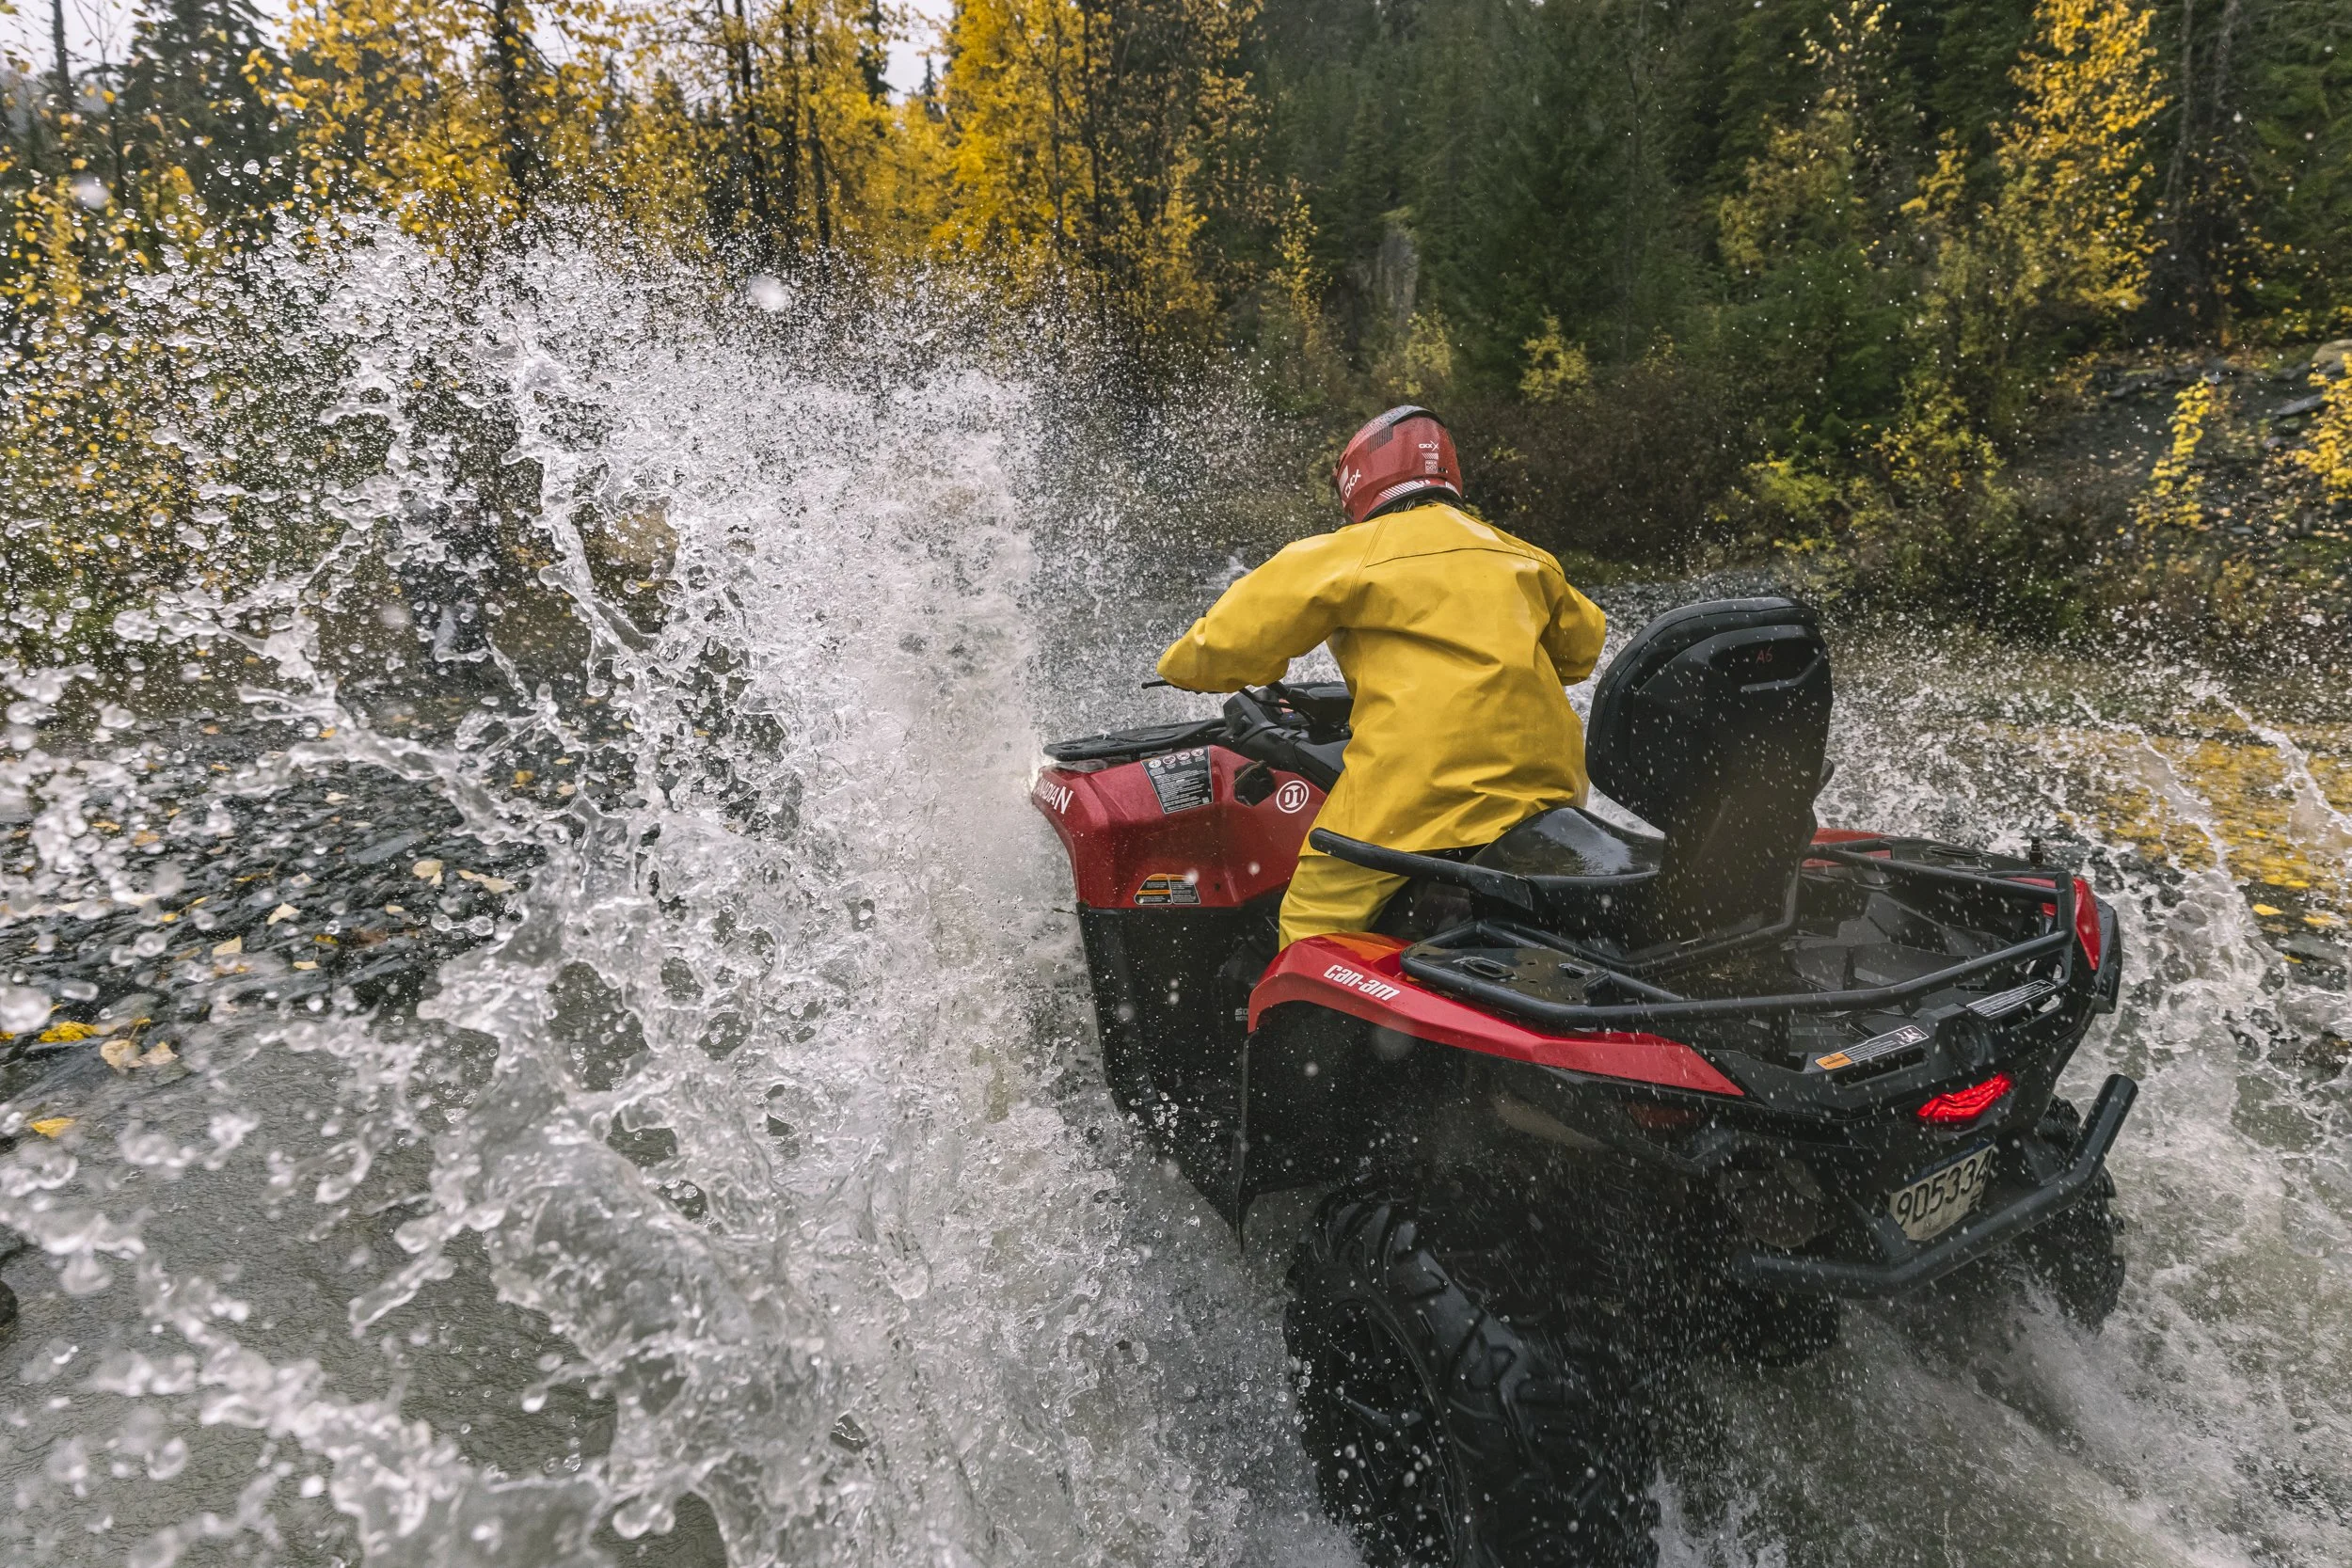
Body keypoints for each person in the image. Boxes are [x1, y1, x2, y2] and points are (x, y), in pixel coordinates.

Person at [1156, 405, 1608, 948]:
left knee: (1311, 926)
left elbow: (1215, 652)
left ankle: (1296, 1026)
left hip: (1415, 793)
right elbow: (1580, 655)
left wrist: (1178, 670)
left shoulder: (1342, 555)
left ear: (1358, 482)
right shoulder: (1524, 556)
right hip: (1548, 790)